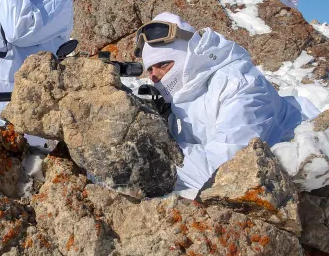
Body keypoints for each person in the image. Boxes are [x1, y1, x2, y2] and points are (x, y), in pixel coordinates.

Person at [135, 12, 319, 191]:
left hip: (302, 182)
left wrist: (152, 153)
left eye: (163, 64)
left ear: (188, 55)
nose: (155, 76)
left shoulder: (240, 85)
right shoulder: (182, 93)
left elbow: (227, 173)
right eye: (150, 69)